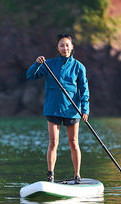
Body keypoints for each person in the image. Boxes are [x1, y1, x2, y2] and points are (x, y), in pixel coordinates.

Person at [26, 34, 90, 183]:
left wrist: (85, 110)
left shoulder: (79, 67)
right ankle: (50, 175)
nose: (65, 48)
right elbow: (30, 75)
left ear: (72, 47)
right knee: (53, 142)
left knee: (73, 142)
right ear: (57, 48)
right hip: (53, 108)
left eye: (67, 45)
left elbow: (84, 89)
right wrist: (37, 64)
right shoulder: (49, 64)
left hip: (72, 109)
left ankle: (77, 175)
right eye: (62, 45)